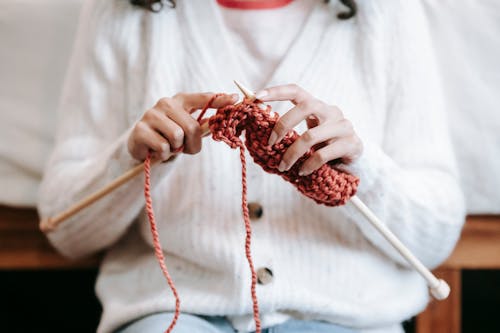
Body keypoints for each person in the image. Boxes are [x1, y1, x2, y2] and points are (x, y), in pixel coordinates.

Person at [38, 0, 465, 332]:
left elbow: (436, 234)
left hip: (349, 315)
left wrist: (361, 168)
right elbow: (64, 229)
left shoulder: (385, 12)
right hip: (177, 312)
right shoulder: (126, 13)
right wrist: (132, 157)